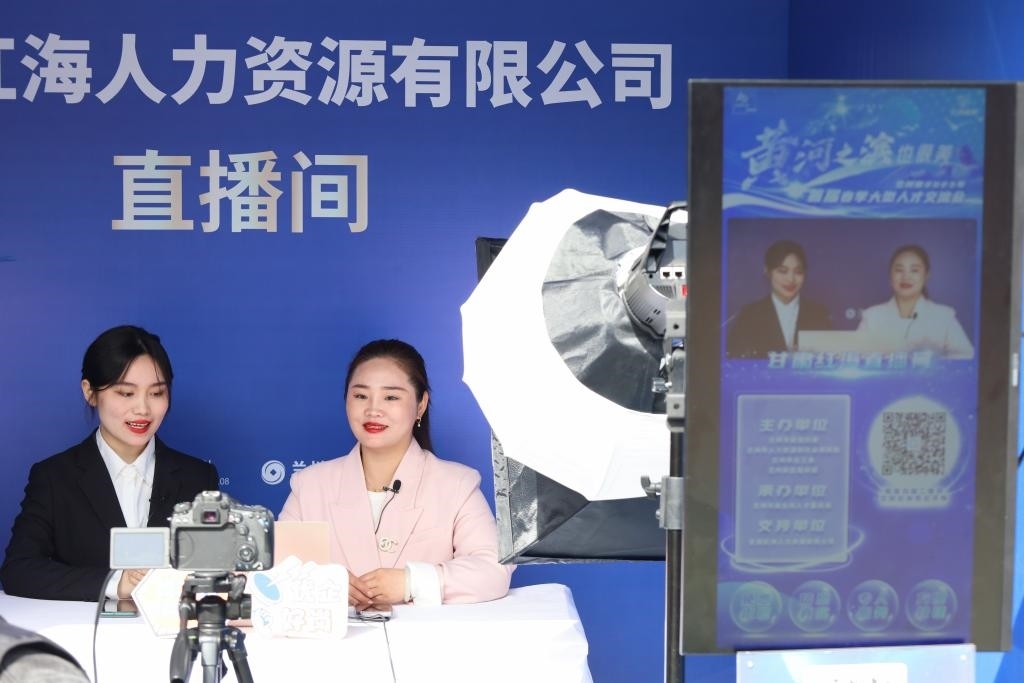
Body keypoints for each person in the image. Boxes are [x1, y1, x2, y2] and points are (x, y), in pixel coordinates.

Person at [279, 339, 512, 608]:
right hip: (338, 635)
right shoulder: (309, 485)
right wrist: (322, 583)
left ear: (421, 404)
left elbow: (494, 568)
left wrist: (411, 582)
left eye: (391, 397)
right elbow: (273, 572)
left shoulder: (457, 485)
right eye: (360, 396)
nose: (373, 410)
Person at [1, 325, 220, 602]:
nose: (142, 409)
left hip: (172, 627)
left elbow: (215, 571)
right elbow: (19, 570)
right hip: (83, 628)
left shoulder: (198, 477)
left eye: (156, 393)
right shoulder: (54, 477)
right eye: (126, 393)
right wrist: (115, 583)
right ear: (90, 392)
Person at [857, 244, 974, 359]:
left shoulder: (944, 316)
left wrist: (932, 363)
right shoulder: (872, 316)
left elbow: (966, 356)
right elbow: (855, 356)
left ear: (926, 276)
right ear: (890, 276)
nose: (906, 276)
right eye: (899, 270)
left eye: (914, 270)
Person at [726, 239, 832, 358]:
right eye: (783, 271)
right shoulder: (749, 315)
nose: (791, 279)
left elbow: (830, 358)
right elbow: (734, 359)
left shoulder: (818, 313)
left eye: (798, 272)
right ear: (767, 271)